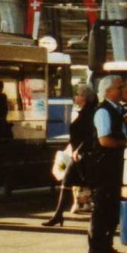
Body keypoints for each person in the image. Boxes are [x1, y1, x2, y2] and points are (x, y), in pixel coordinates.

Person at [87, 75, 127, 253]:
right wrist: (126, 143)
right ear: (108, 91)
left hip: (115, 164)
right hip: (105, 165)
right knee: (102, 208)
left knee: (112, 208)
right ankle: (96, 249)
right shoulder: (103, 112)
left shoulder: (118, 109)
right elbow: (105, 140)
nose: (123, 90)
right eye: (119, 87)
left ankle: (107, 245)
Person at [43, 85, 98, 227]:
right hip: (78, 155)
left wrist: (78, 149)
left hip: (84, 156)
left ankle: (60, 215)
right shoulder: (84, 112)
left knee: (91, 185)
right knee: (67, 182)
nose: (76, 97)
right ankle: (58, 215)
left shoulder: (90, 114)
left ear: (84, 98)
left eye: (78, 94)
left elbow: (90, 136)